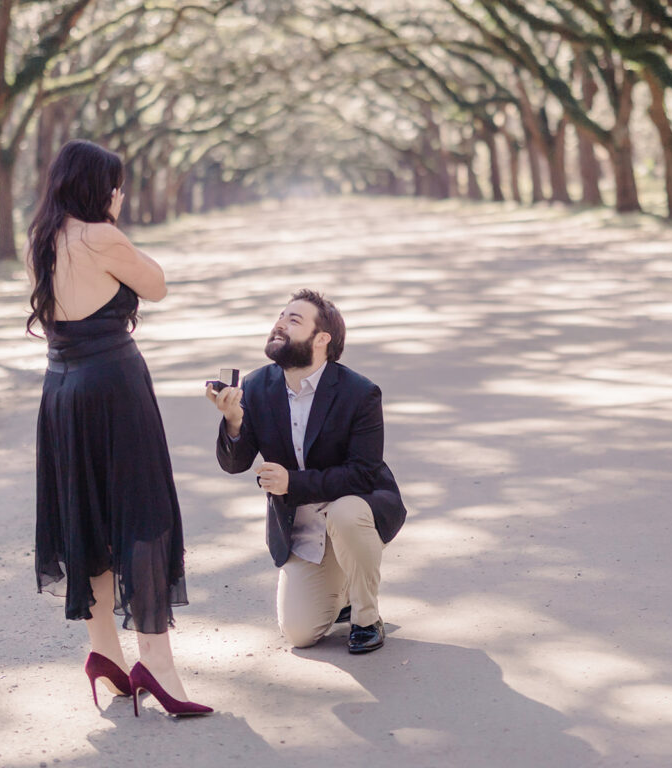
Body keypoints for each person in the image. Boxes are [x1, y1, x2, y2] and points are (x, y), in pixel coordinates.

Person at [26, 139, 211, 717]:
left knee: (88, 517)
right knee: (140, 515)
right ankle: (156, 662)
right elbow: (155, 284)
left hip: (61, 393)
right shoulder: (99, 235)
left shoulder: (43, 240)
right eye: (115, 184)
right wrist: (113, 226)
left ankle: (104, 653)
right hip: (113, 388)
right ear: (97, 186)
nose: (121, 194)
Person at [207, 289, 406, 653]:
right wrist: (233, 420)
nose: (280, 323)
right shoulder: (256, 387)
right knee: (301, 634)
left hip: (355, 509)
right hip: (303, 526)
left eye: (294, 319)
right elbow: (234, 464)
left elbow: (363, 474)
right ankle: (342, 587)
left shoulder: (359, 393)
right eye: (280, 316)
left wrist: (291, 482)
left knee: (345, 513)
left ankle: (365, 616)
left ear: (321, 339)